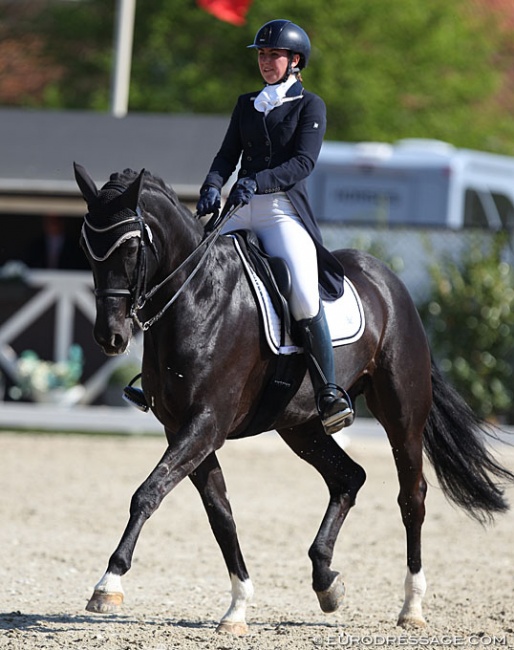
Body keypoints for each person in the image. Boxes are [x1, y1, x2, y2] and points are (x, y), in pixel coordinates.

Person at [196, 19, 354, 435]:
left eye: (274, 55)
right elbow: (226, 154)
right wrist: (213, 185)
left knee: (302, 293)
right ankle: (160, 375)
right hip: (240, 207)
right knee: (192, 273)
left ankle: (329, 391)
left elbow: (303, 163)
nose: (266, 62)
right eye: (262, 55)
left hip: (282, 210)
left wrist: (257, 181)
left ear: (295, 61)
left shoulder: (310, 105)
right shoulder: (247, 103)